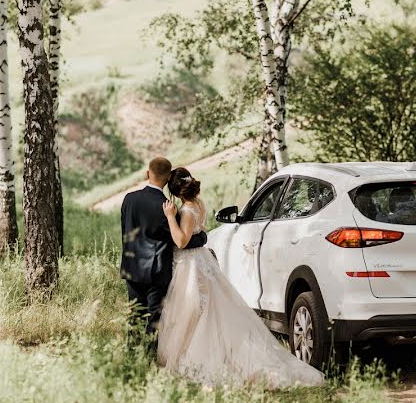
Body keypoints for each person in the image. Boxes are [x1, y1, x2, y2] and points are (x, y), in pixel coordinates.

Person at [157, 166, 324, 388]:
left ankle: (197, 359)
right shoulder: (199, 204)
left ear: (176, 192)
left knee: (194, 311)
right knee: (208, 312)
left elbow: (181, 241)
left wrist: (170, 217)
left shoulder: (187, 211)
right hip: (202, 261)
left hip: (191, 265)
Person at [120, 157, 208, 340]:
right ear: (168, 178)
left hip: (132, 268)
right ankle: (149, 358)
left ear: (147, 173)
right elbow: (181, 241)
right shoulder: (168, 208)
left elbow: (126, 230)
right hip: (156, 271)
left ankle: (132, 356)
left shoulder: (129, 199)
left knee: (134, 316)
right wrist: (202, 237)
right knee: (154, 319)